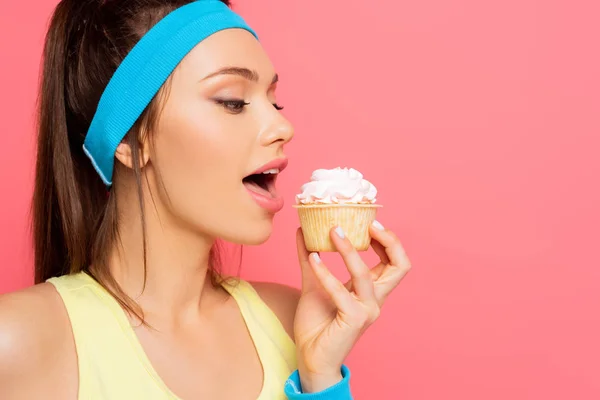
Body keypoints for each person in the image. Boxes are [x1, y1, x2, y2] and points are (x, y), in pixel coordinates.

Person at [0, 0, 412, 398]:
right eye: (233, 102)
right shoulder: (18, 343)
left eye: (274, 100)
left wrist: (321, 378)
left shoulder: (293, 322)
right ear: (129, 139)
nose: (282, 125)